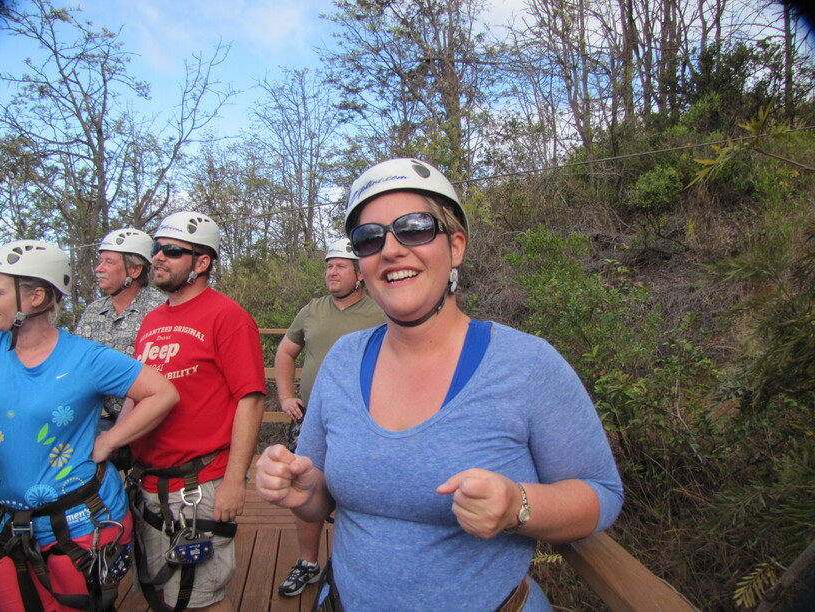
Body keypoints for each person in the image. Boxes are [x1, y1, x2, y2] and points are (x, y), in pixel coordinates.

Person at [255, 158, 624, 611]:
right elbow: (320, 495)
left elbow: (601, 493)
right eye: (369, 238)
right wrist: (302, 490)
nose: (391, 249)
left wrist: (517, 505)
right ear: (362, 264)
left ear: (456, 246)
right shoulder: (343, 361)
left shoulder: (526, 365)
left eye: (414, 228)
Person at [0, 239, 178, 612]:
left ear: (35, 298)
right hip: (9, 523)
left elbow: (162, 393)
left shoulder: (84, 358)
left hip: (78, 522)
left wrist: (109, 441)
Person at [126, 211, 266, 612]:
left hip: (199, 483)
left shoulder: (227, 316)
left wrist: (235, 481)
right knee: (161, 593)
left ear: (201, 262)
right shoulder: (151, 320)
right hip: (150, 481)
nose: (158, 257)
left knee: (200, 600)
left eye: (172, 251)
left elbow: (251, 398)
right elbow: (137, 395)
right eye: (157, 249)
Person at [275, 237, 384, 597]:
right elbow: (286, 352)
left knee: (358, 492)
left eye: (340, 266)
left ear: (360, 273)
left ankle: (352, 566)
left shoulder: (380, 311)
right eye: (329, 266)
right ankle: (307, 563)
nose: (332, 272)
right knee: (305, 489)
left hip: (363, 422)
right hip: (310, 420)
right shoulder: (312, 310)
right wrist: (286, 396)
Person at [76, 228, 165, 426]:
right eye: (100, 261)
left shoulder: (160, 309)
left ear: (134, 270)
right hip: (102, 420)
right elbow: (78, 366)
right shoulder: (93, 311)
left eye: (109, 262)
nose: (99, 268)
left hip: (150, 421)